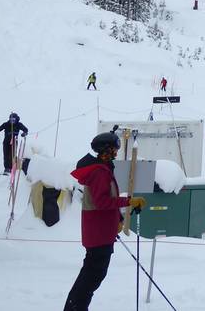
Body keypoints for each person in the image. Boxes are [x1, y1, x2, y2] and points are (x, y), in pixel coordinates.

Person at [64, 131, 146, 311]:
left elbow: (107, 200)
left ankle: (76, 307)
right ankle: (74, 308)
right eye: (114, 149)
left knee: (92, 277)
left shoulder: (104, 170)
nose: (116, 153)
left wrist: (118, 219)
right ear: (105, 150)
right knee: (91, 278)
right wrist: (129, 201)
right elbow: (102, 202)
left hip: (101, 233)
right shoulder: (99, 172)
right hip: (98, 236)